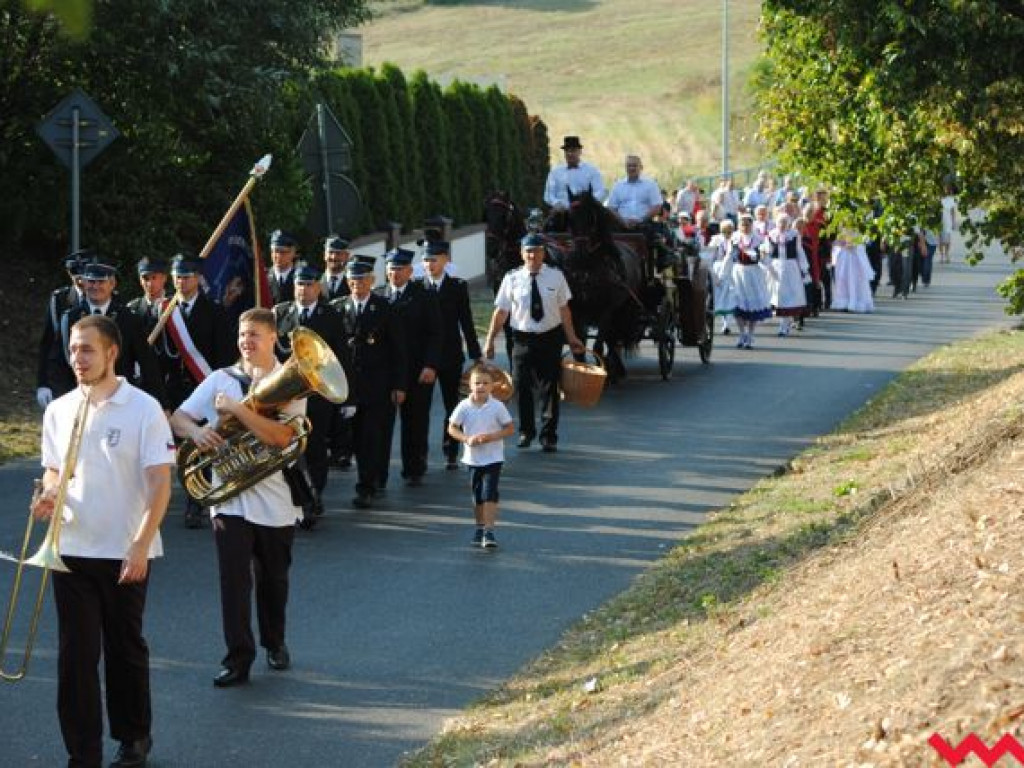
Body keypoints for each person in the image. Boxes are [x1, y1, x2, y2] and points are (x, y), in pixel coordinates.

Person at [33, 314, 174, 768]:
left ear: (112, 352)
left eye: (87, 349)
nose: (77, 357)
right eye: (73, 349)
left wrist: (141, 543)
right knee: (75, 657)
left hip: (124, 549)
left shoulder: (144, 408)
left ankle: (133, 737)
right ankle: (83, 754)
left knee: (124, 647)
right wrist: (48, 494)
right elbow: (55, 469)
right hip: (71, 547)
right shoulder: (59, 409)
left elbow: (160, 483)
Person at [169, 308, 305, 688]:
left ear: (273, 337)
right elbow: (178, 418)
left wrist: (237, 410)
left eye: (254, 334)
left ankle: (274, 641)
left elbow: (282, 438)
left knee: (273, 579)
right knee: (233, 582)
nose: (246, 341)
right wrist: (196, 434)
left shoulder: (291, 380)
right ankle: (237, 659)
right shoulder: (221, 379)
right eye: (243, 334)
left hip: (275, 498)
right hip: (229, 498)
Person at [483, 233, 585, 452]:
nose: (533, 256)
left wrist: (572, 337)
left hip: (550, 337)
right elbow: (501, 312)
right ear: (522, 254)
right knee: (521, 385)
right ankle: (526, 431)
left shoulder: (556, 276)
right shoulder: (511, 278)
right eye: (528, 251)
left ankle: (548, 435)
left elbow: (564, 310)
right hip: (522, 339)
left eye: (537, 251)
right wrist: (490, 340)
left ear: (543, 253)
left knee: (549, 387)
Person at [273, 261, 347, 526]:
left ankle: (314, 497)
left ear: (318, 287)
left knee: (315, 448)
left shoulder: (331, 315)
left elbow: (341, 357)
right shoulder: (280, 313)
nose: (303, 289)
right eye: (299, 284)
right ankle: (294, 499)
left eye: (308, 284)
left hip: (317, 395)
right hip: (286, 395)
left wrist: (347, 397)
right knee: (288, 449)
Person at [331, 256, 407, 509]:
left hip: (377, 385)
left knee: (371, 437)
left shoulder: (385, 308)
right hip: (346, 385)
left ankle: (367, 486)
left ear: (372, 280)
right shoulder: (338, 308)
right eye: (353, 280)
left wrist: (399, 385)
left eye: (362, 279)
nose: (357, 284)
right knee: (350, 437)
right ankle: (365, 476)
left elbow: (398, 350)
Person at [42, 259, 167, 407]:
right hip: (80, 398)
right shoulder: (70, 318)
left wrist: (161, 403)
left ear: (112, 284)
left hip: (119, 400)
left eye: (101, 282)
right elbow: (59, 362)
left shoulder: (128, 318)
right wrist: (64, 398)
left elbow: (147, 363)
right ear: (84, 283)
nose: (95, 286)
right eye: (91, 282)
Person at [376, 247, 442, 487]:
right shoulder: (379, 296)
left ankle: (414, 468)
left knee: (415, 422)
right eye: (391, 268)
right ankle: (378, 474)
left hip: (417, 370)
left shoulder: (424, 296)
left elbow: (436, 334)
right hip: (387, 371)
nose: (395, 273)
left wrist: (430, 365)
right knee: (381, 424)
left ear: (410, 271)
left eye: (400, 268)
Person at [421, 240, 483, 470]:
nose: (429, 264)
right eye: (426, 260)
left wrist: (475, 354)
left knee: (452, 406)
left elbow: (466, 321)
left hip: (450, 355)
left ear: (445, 260)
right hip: (424, 358)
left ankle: (451, 451)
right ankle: (420, 453)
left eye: (434, 260)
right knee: (421, 408)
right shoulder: (418, 287)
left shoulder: (457, 287)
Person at [447, 364, 515, 549]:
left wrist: (491, 437)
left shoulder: (497, 406)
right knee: (477, 495)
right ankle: (479, 527)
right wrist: (466, 439)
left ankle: (489, 531)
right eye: (477, 383)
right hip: (473, 459)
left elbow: (510, 428)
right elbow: (452, 428)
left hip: (493, 458)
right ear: (470, 385)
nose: (481, 386)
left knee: (489, 493)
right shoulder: (464, 406)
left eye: (485, 383)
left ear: (492, 386)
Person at [36, 251, 87, 410]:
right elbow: (48, 341)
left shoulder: (105, 298)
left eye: (84, 272)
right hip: (64, 374)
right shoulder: (59, 299)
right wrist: (43, 383)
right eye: (74, 272)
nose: (79, 277)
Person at [543, 136, 606, 230]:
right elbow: (548, 195)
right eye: (567, 151)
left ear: (580, 152)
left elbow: (600, 191)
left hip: (585, 212)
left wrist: (588, 203)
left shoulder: (592, 171)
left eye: (573, 151)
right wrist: (557, 203)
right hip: (561, 213)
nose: (570, 154)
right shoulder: (555, 172)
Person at [762, 213, 810, 336]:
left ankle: (785, 325)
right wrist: (767, 267)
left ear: (788, 223)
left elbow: (799, 251)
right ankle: (783, 324)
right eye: (780, 222)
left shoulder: (794, 235)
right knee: (778, 296)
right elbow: (767, 253)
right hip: (776, 267)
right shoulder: (771, 235)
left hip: (790, 268)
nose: (782, 225)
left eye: (785, 222)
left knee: (789, 297)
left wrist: (804, 268)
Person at [729, 214, 772, 349]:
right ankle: (742, 333)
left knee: (752, 306)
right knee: (737, 304)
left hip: (753, 274)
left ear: (751, 225)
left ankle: (750, 334)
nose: (745, 227)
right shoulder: (735, 239)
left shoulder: (758, 239)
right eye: (742, 224)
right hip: (738, 273)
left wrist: (763, 258)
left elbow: (765, 259)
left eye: (747, 224)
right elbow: (730, 257)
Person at [831, 233, 876, 312]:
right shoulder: (841, 230)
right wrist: (839, 243)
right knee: (843, 279)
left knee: (854, 279)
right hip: (843, 257)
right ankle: (844, 302)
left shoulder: (858, 231)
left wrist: (855, 244)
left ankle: (855, 301)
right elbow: (838, 242)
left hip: (854, 257)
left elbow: (864, 240)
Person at [267, 229, 299, 305]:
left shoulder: (300, 279)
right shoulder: (263, 278)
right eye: (275, 251)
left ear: (293, 252)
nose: (278, 256)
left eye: (283, 252)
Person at [321, 235, 351, 301]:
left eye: (338, 253)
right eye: (330, 252)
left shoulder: (353, 284)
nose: (334, 257)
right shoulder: (315, 284)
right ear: (324, 255)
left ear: (347, 256)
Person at [939, 185, 957, 264]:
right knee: (940, 240)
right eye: (945, 189)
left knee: (947, 240)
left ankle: (946, 254)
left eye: (948, 189)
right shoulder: (940, 199)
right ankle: (941, 256)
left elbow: (953, 211)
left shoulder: (952, 199)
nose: (946, 191)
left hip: (948, 221)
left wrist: (953, 222)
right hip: (941, 221)